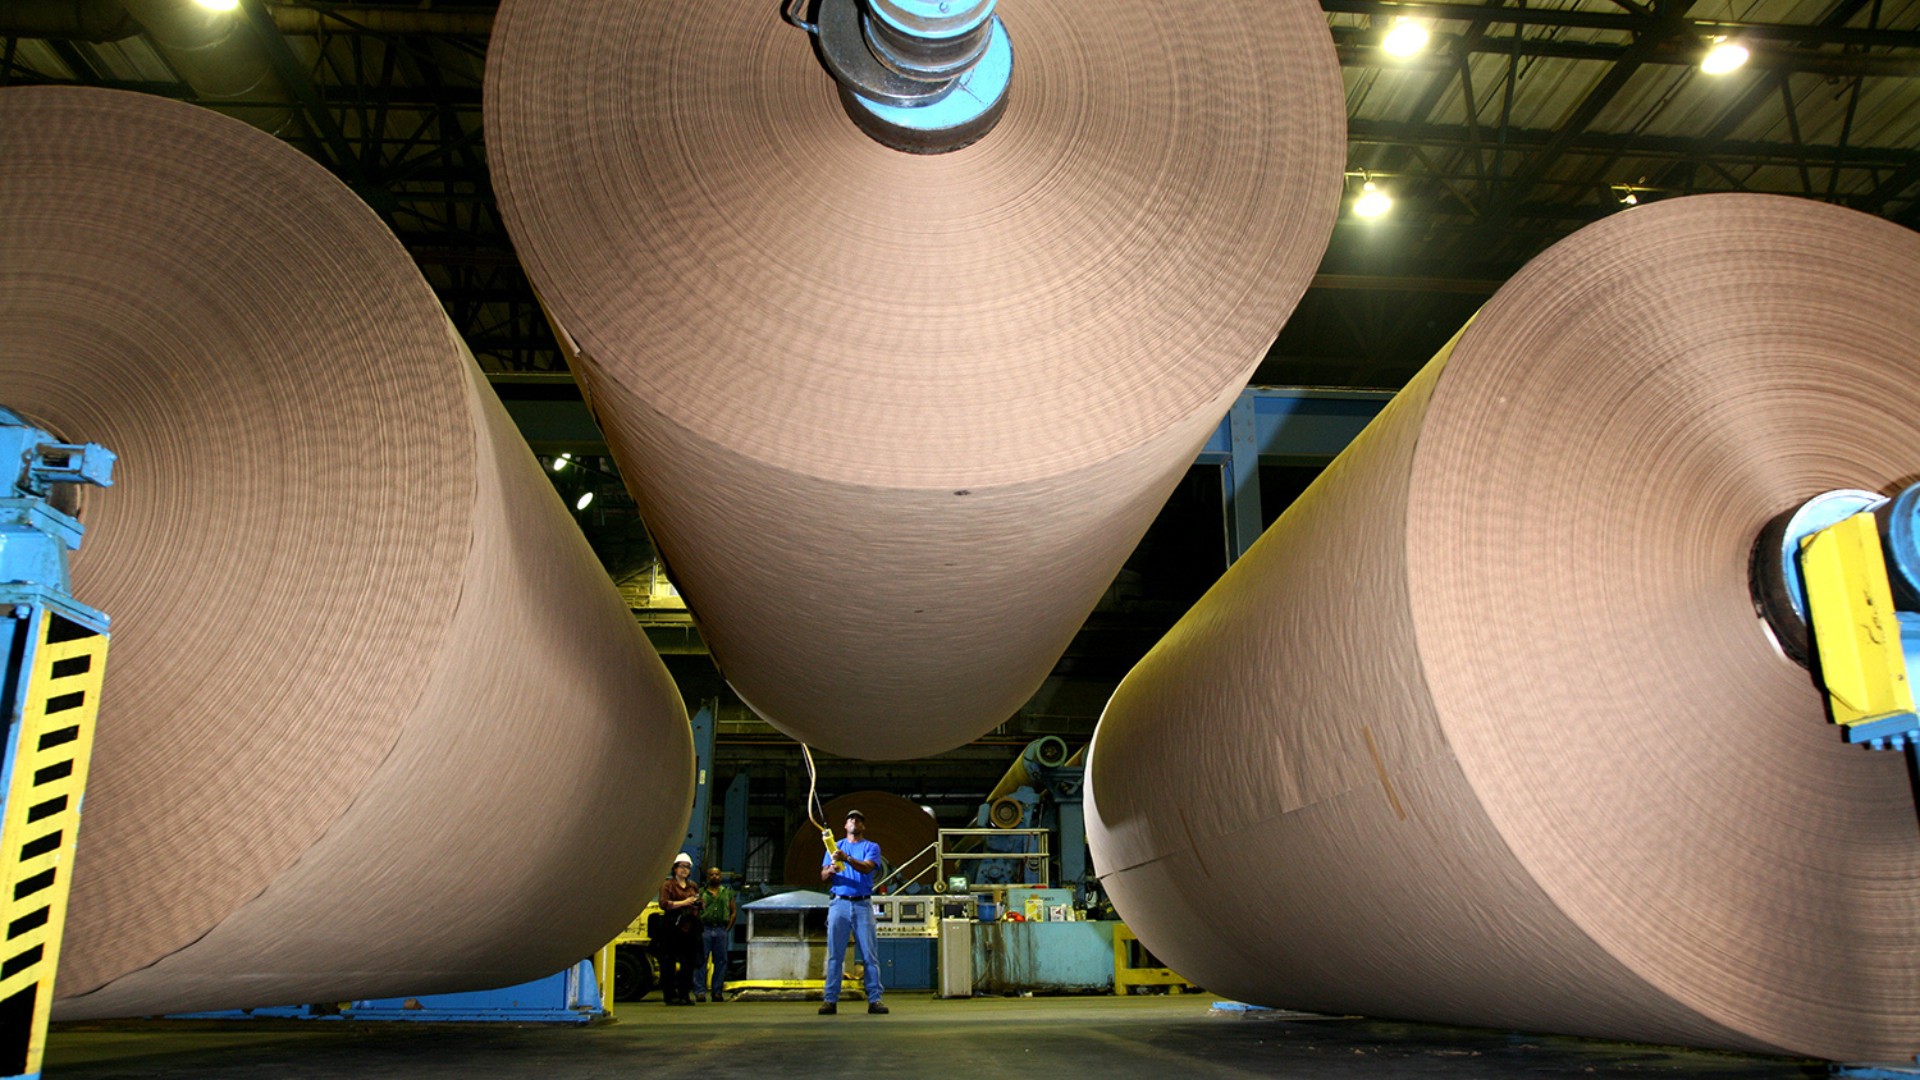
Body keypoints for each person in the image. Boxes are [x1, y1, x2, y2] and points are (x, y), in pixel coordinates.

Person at [818, 811, 887, 1015]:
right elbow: (822, 874)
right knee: (835, 956)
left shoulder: (871, 847)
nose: (853, 821)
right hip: (839, 904)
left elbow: (867, 868)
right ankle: (830, 1000)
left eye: (857, 819)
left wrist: (845, 858)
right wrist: (829, 871)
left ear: (863, 826)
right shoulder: (833, 846)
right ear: (845, 825)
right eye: (850, 819)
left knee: (869, 955)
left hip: (862, 905)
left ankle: (875, 1000)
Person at [658, 852, 702, 1005]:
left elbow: (700, 902)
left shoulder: (693, 886)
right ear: (675, 868)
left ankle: (684, 994)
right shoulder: (667, 885)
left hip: (689, 927)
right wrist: (684, 903)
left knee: (688, 964)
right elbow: (664, 904)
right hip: (672, 927)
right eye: (682, 867)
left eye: (687, 867)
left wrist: (696, 904)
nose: (684, 870)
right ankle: (670, 995)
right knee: (668, 963)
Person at [696, 865, 736, 1003]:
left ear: (721, 877)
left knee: (721, 961)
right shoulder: (701, 893)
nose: (714, 877)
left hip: (721, 930)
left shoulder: (727, 893)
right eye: (711, 875)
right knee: (701, 961)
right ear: (708, 877)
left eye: (717, 874)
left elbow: (733, 912)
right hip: (705, 930)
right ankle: (700, 992)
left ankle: (717, 992)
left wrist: (727, 929)